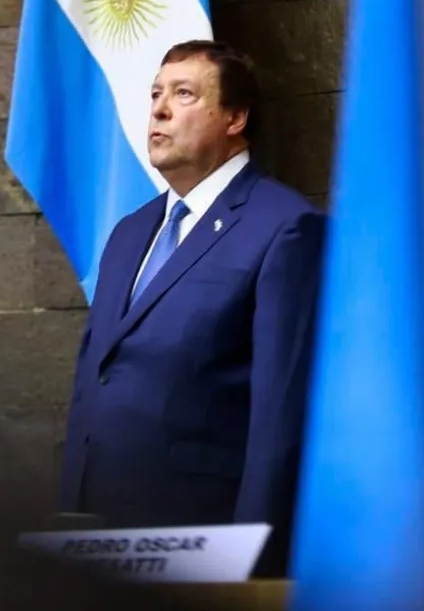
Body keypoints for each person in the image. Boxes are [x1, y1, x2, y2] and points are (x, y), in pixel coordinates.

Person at [57, 40, 327, 575]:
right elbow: (94, 380)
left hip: (202, 540)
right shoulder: (128, 233)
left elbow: (281, 412)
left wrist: (254, 560)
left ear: (235, 117)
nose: (159, 109)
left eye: (183, 94)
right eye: (156, 94)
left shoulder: (285, 227)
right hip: (96, 538)